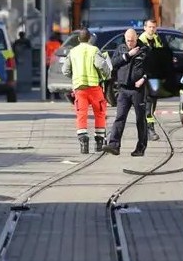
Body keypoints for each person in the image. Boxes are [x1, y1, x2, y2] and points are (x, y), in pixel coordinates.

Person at [61, 28, 109, 154]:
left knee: (81, 114)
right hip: (94, 88)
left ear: (78, 39)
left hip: (79, 89)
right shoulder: (94, 50)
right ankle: (99, 141)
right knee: (100, 113)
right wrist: (106, 75)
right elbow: (102, 65)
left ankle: (83, 141)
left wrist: (75, 76)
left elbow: (65, 70)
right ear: (90, 39)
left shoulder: (73, 51)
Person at [103, 29, 149, 157]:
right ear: (125, 38)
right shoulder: (121, 48)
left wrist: (143, 78)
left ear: (137, 38)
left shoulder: (144, 50)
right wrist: (128, 55)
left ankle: (140, 147)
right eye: (128, 40)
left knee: (140, 119)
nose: (130, 43)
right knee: (120, 117)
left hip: (138, 90)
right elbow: (113, 64)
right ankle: (114, 145)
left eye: (132, 41)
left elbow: (152, 69)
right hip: (123, 90)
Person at [138, 18, 164, 141]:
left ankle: (147, 129)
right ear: (145, 28)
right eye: (149, 27)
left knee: (152, 105)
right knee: (147, 105)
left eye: (154, 27)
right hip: (144, 78)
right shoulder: (140, 42)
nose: (152, 29)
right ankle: (149, 129)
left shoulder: (156, 39)